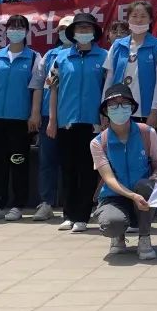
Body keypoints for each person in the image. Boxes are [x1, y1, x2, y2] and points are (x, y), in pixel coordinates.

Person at [46, 12, 108, 233]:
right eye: (79, 28)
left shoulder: (104, 57)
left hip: (93, 123)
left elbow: (107, 89)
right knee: (68, 169)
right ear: (72, 33)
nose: (83, 32)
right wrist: (52, 120)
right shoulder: (61, 57)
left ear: (94, 32)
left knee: (88, 169)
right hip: (66, 122)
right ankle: (68, 214)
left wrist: (106, 118)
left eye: (87, 28)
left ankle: (82, 215)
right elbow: (53, 89)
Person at [92, 84, 157, 260]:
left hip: (142, 192)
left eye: (124, 103)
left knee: (147, 186)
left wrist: (155, 177)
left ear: (132, 108)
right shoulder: (98, 142)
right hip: (114, 196)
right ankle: (118, 236)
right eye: (113, 105)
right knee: (111, 223)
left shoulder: (147, 132)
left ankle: (144, 238)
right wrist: (132, 196)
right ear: (106, 110)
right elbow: (109, 179)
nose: (119, 108)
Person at [0, 15, 37, 222]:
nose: (15, 31)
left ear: (27, 32)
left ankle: (18, 204)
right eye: (12, 27)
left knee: (18, 161)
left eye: (20, 27)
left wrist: (33, 114)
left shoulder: (33, 57)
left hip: (19, 118)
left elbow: (36, 88)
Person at [28, 14, 74, 222]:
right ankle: (46, 202)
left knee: (72, 162)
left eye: (69, 29)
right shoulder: (49, 55)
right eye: (62, 29)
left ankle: (72, 205)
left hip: (74, 116)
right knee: (47, 160)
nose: (65, 32)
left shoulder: (89, 54)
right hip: (48, 116)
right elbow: (38, 84)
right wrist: (35, 112)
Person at [104, 1, 157, 126]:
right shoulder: (117, 45)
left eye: (143, 16)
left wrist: (154, 111)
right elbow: (109, 79)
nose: (138, 20)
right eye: (134, 16)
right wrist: (104, 108)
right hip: (117, 111)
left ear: (150, 20)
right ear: (128, 19)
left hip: (145, 112)